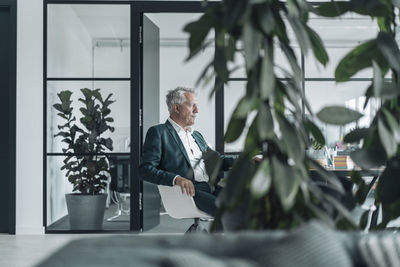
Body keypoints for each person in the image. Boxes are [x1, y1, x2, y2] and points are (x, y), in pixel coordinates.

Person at [139, 86, 236, 217]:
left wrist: (246, 160)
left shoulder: (196, 135)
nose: (197, 111)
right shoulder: (159, 133)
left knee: (244, 205)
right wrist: (176, 179)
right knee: (227, 212)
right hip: (188, 191)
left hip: (210, 187)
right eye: (192, 106)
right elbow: (145, 169)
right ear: (177, 108)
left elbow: (217, 160)